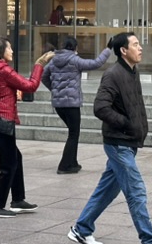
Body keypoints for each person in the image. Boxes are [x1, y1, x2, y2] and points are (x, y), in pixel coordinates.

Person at [68, 32, 152, 244]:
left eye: (139, 44)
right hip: (118, 143)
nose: (140, 48)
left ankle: (81, 229)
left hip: (128, 140)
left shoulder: (132, 71)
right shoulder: (113, 74)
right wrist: (126, 124)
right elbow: (100, 107)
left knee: (107, 189)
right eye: (135, 44)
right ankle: (150, 243)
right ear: (123, 50)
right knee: (136, 190)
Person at [0, 37, 54, 218]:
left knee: (15, 157)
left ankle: (18, 200)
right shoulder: (3, 70)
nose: (12, 51)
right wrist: (39, 64)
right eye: (9, 48)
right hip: (2, 121)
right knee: (9, 164)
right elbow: (30, 86)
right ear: (0, 51)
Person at [43, 36, 111, 174]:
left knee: (73, 132)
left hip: (58, 104)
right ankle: (64, 166)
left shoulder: (53, 60)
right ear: (75, 48)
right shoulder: (74, 60)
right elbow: (96, 63)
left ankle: (72, 162)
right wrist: (108, 49)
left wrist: (55, 90)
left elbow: (44, 76)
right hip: (71, 104)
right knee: (73, 134)